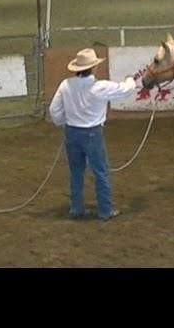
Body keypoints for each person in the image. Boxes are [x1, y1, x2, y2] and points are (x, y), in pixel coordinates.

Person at [49, 48, 136, 221]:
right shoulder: (100, 87)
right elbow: (126, 90)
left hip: (72, 133)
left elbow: (54, 110)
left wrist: (63, 123)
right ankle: (105, 211)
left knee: (76, 172)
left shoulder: (66, 85)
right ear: (93, 68)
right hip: (92, 134)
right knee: (101, 172)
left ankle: (76, 208)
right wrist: (130, 79)